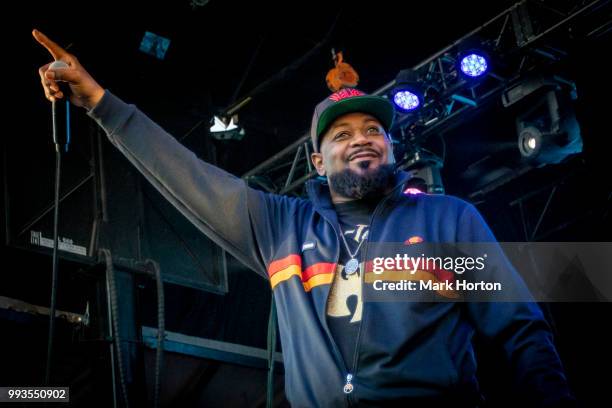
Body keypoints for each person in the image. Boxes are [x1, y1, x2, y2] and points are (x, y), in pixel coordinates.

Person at [33, 29, 575, 407]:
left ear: (390, 146)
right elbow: (186, 175)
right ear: (318, 161)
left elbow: (521, 331)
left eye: (373, 131)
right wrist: (103, 104)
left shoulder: (447, 219)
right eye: (342, 135)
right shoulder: (280, 226)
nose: (361, 139)